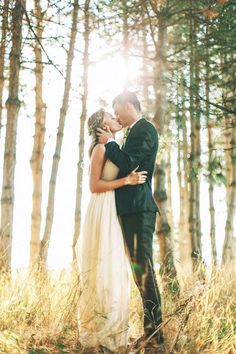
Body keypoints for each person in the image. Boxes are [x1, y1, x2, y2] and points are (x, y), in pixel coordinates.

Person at [97, 91, 164, 350]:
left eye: (118, 111)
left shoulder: (145, 129)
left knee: (144, 271)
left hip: (140, 210)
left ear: (128, 106)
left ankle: (155, 337)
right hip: (129, 210)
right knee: (140, 273)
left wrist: (110, 142)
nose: (117, 117)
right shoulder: (132, 132)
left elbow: (128, 165)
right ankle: (151, 333)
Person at [76, 108, 147, 353]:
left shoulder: (114, 145)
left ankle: (114, 332)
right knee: (103, 265)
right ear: (102, 124)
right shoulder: (100, 148)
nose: (115, 117)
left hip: (113, 209)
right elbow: (94, 186)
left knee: (115, 268)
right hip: (101, 209)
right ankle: (99, 331)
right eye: (109, 114)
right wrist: (126, 181)